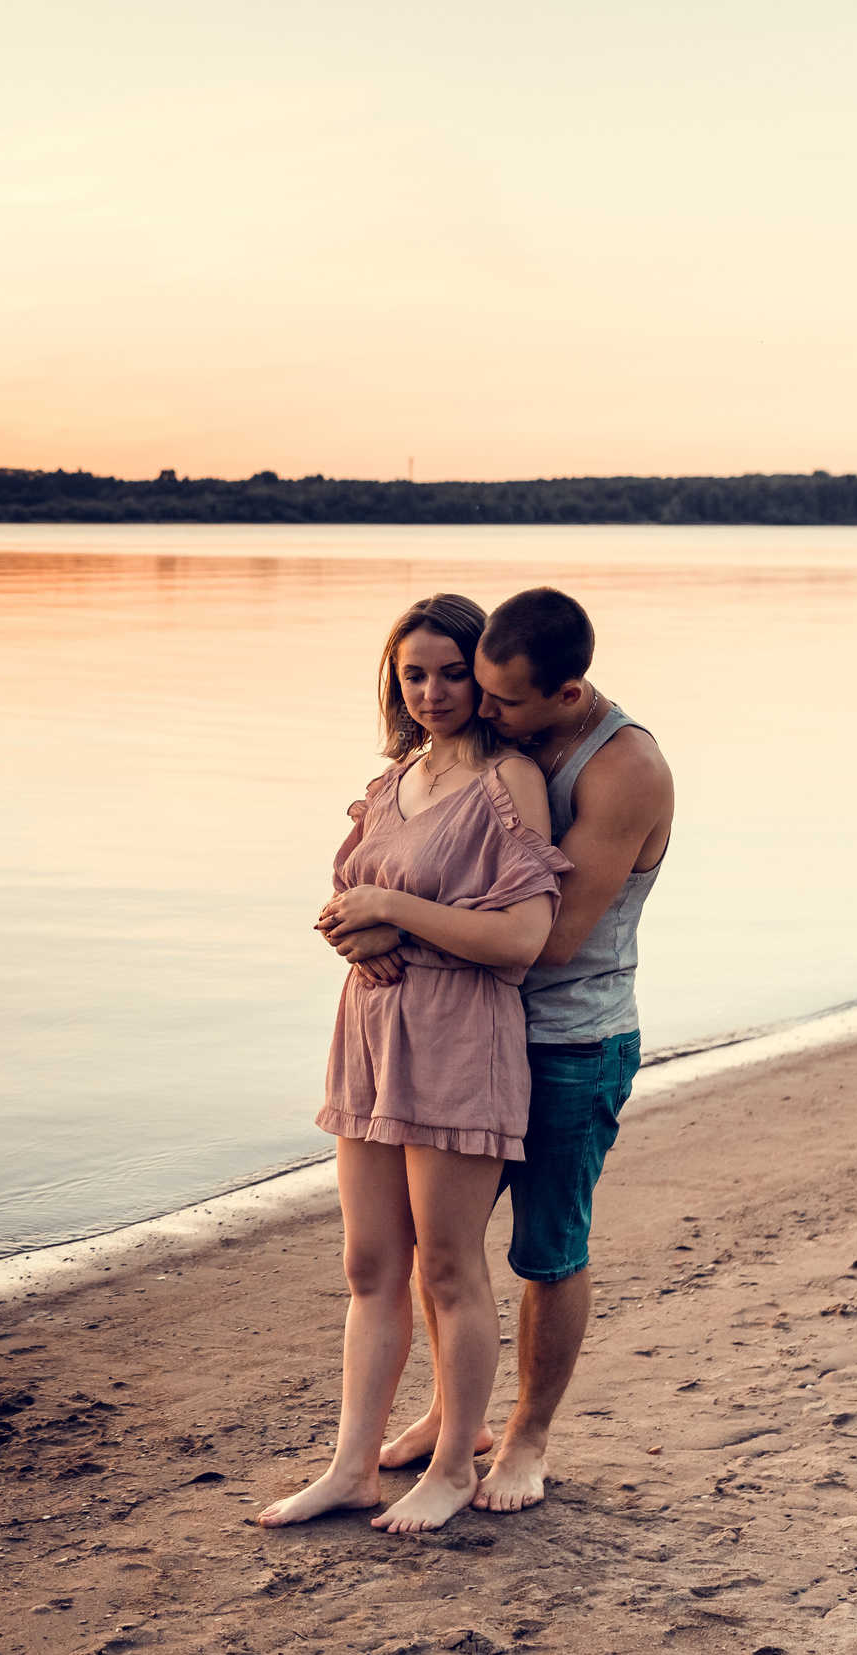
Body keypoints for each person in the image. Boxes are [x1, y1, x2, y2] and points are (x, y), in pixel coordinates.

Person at [258, 594, 571, 1535]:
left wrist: (397, 917)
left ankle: (449, 1466)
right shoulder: (395, 780)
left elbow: (523, 935)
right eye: (413, 674)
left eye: (449, 671)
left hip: (458, 1036)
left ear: (483, 674)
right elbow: (344, 896)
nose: (432, 691)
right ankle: (351, 1466)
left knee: (446, 1266)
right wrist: (352, 933)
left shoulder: (509, 781)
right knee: (368, 1264)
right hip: (369, 1033)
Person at [363, 587, 676, 1512]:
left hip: (569, 1041)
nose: (482, 712)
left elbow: (549, 939)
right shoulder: (503, 746)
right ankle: (450, 1417)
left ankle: (528, 1437)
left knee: (547, 1250)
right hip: (470, 1032)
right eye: (475, 688)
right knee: (438, 1249)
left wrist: (393, 923)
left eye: (502, 702)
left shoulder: (623, 771)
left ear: (568, 693)